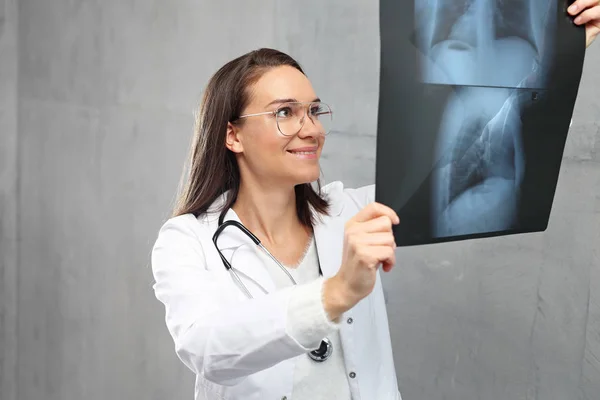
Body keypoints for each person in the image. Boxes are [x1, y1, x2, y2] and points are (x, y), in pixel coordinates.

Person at [151, 4, 599, 399]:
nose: (311, 129)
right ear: (232, 134)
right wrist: (337, 292)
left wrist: (565, 44)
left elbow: (472, 151)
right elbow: (206, 348)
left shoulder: (354, 214)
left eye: (313, 110)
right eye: (285, 112)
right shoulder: (186, 242)